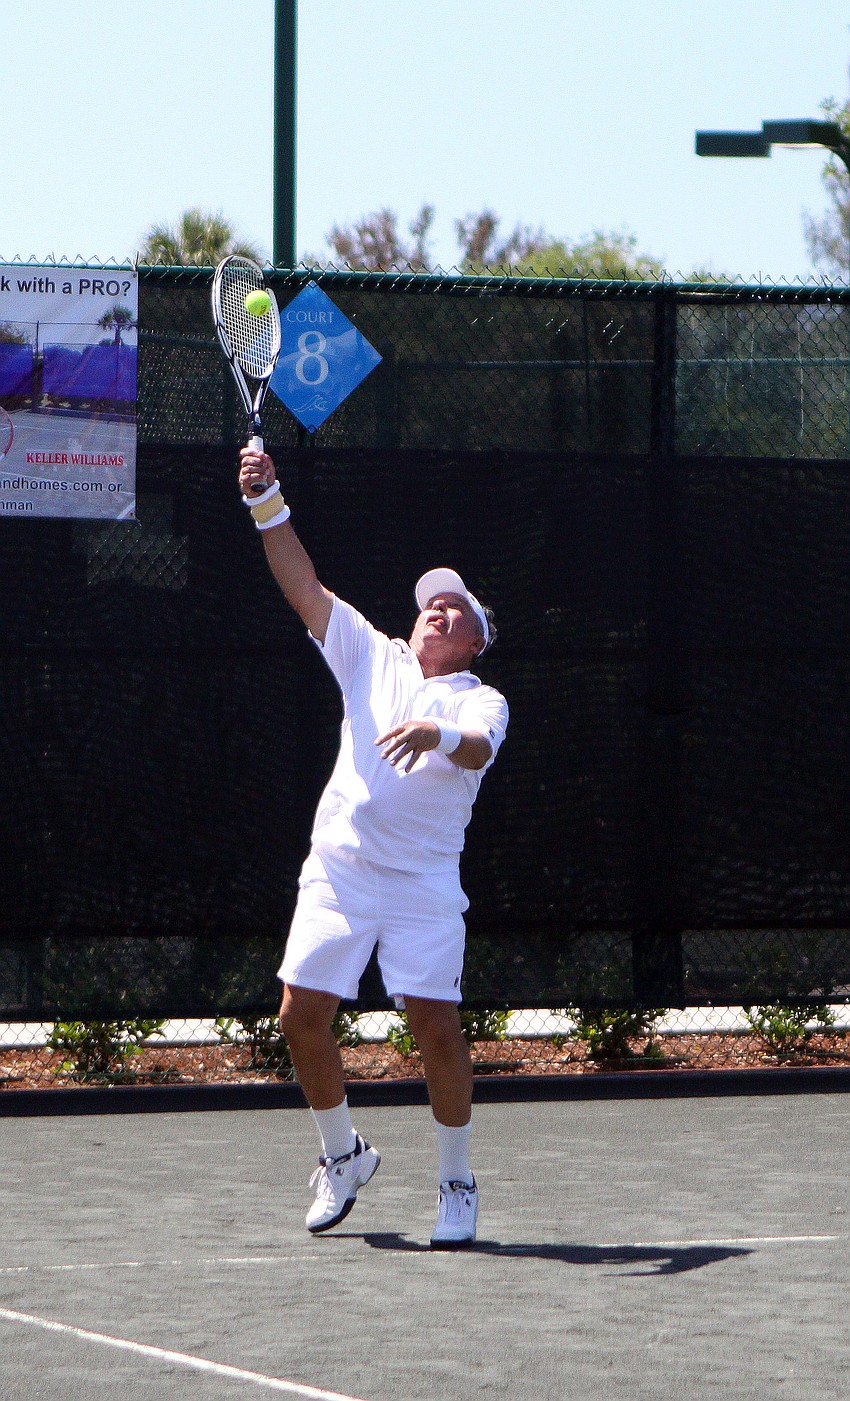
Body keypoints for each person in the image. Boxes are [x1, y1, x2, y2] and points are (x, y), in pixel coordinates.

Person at [238, 446, 509, 1249]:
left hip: (423, 881)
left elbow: (479, 750)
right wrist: (267, 500)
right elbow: (303, 586)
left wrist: (439, 728)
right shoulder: (370, 652)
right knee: (300, 1014)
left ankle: (457, 1181)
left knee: (435, 1026)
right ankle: (342, 1155)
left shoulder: (483, 698)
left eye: (458, 610)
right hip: (341, 868)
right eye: (434, 603)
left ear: (473, 643)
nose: (440, 610)